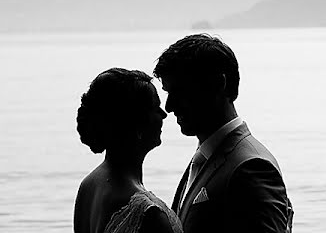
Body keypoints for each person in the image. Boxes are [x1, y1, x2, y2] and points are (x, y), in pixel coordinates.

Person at [153, 34, 292, 233]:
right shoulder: (207, 157)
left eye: (180, 92)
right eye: (168, 93)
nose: (169, 106)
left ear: (218, 84)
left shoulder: (252, 168)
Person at [74, 68, 182, 233]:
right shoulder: (148, 214)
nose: (164, 114)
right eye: (155, 107)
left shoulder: (89, 185)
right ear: (136, 124)